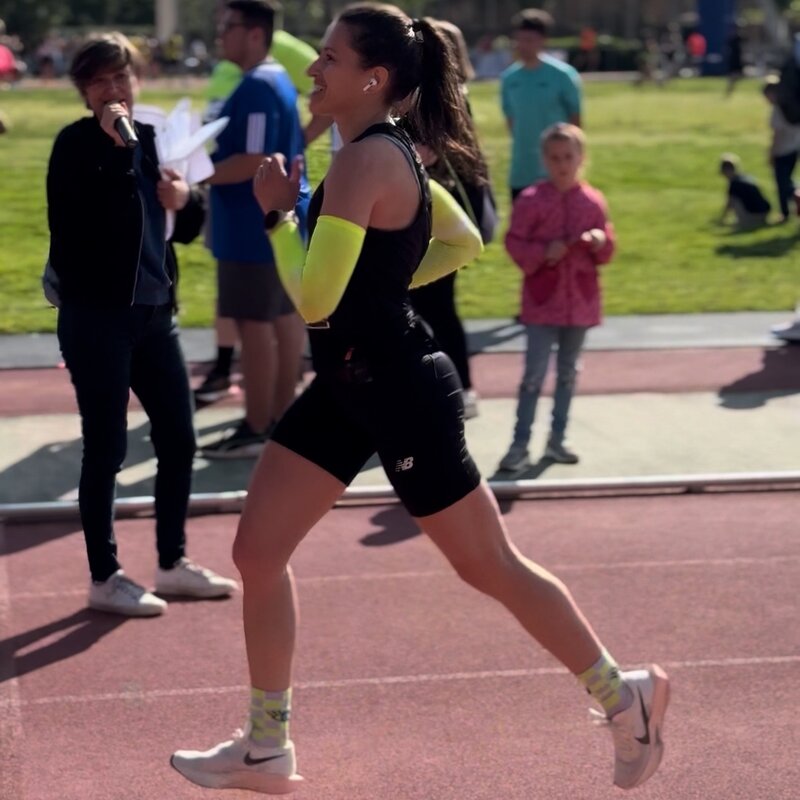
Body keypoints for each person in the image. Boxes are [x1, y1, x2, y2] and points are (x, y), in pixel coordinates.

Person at [170, 5, 670, 794]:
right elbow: (461, 240)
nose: (312, 70)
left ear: (373, 78)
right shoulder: (382, 151)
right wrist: (382, 288)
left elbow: (315, 302)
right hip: (349, 383)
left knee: (488, 565)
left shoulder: (368, 161)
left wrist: (276, 217)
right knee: (257, 553)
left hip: (400, 390)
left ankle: (624, 695)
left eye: (328, 58)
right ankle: (267, 746)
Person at [46, 33, 237, 617]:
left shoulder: (154, 138)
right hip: (96, 318)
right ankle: (104, 577)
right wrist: (114, 155)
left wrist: (185, 198)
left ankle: (172, 562)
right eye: (100, 81)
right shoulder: (74, 145)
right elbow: (73, 230)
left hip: (155, 316)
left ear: (137, 79)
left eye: (121, 77)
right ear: (84, 92)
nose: (114, 90)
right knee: (106, 448)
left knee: (178, 439)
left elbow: (186, 224)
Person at [200, 0, 311, 457]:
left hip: (251, 228)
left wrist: (194, 172)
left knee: (254, 324)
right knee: (282, 318)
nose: (220, 35)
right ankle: (280, 417)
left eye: (228, 26)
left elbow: (253, 158)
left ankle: (257, 424)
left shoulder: (257, 86)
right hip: (271, 223)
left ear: (255, 33)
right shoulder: (277, 80)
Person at [498, 123, 615, 473]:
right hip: (541, 301)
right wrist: (542, 252)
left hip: (580, 301)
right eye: (554, 157)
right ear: (544, 160)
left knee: (568, 374)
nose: (562, 164)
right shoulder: (531, 200)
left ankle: (557, 439)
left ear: (581, 158)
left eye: (568, 157)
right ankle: (519, 444)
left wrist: (600, 241)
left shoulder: (593, 201)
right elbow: (513, 242)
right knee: (533, 375)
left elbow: (607, 248)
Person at [408, 18, 495, 420]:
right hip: (439, 214)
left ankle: (460, 386)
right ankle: (451, 385)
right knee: (430, 304)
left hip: (439, 217)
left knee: (436, 304)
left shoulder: (444, 98)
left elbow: (436, 152)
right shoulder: (448, 95)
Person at [501, 8, 582, 201]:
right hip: (522, 171)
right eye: (519, 40)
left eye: (529, 40)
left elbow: (575, 122)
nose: (523, 45)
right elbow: (511, 121)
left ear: (542, 41)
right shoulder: (509, 79)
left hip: (556, 173)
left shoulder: (563, 75)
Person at [762, 76, 800, 223]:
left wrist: (772, 153)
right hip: (794, 148)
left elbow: (777, 135)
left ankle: (785, 213)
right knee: (788, 181)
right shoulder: (793, 107)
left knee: (782, 185)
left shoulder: (778, 110)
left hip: (782, 151)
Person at [719, 153, 771, 228]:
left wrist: (722, 218)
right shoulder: (745, 177)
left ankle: (744, 221)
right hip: (765, 211)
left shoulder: (735, 183)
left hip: (755, 214)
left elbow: (729, 203)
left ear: (727, 170)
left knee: (734, 200)